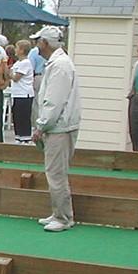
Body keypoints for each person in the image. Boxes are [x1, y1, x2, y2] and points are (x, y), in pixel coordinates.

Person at [31, 25, 82, 232]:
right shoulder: (57, 63)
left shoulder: (60, 65)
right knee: (55, 172)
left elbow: (54, 101)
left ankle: (63, 218)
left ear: (45, 43)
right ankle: (59, 213)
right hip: (58, 127)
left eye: (38, 41)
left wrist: (41, 126)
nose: (36, 45)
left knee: (56, 174)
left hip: (59, 128)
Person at [10, 39, 35, 144]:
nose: (15, 50)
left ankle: (26, 137)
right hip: (17, 94)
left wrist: (9, 73)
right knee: (16, 116)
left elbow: (16, 78)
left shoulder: (26, 63)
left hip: (25, 94)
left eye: (17, 48)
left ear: (22, 50)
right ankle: (18, 136)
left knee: (23, 117)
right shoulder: (18, 63)